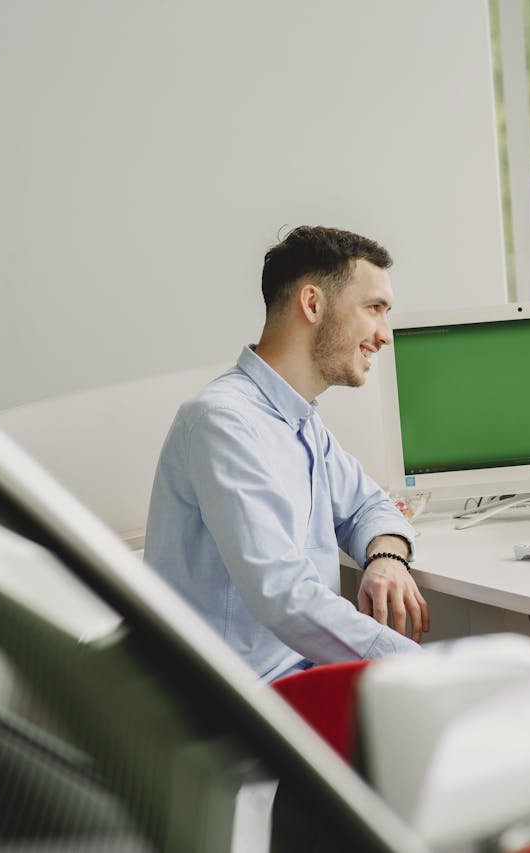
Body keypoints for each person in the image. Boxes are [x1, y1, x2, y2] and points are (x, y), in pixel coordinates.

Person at [145, 225, 428, 682]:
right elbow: (285, 598)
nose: (385, 335)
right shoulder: (224, 422)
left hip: (302, 677)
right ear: (313, 304)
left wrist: (386, 558)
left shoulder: (301, 421)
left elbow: (368, 506)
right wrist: (423, 667)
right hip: (246, 703)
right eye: (374, 309)